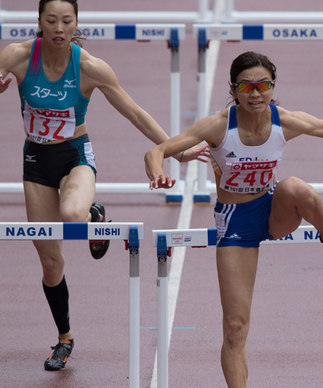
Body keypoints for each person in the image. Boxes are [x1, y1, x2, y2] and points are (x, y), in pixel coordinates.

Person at [145, 51, 323, 387]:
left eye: (263, 85)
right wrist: (158, 173)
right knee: (235, 328)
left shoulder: (284, 120)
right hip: (235, 223)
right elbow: (155, 151)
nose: (256, 93)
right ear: (234, 89)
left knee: (296, 188)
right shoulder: (217, 125)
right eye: (247, 86)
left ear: (273, 87)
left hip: (274, 211)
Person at [0, 0, 208, 371]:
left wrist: (178, 149)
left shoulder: (90, 67)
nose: (59, 28)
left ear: (77, 23)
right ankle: (65, 337)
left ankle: (92, 213)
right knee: (50, 263)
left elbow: (134, 111)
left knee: (72, 214)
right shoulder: (16, 57)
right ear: (39, 22)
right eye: (51, 20)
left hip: (74, 156)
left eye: (67, 21)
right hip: (35, 161)